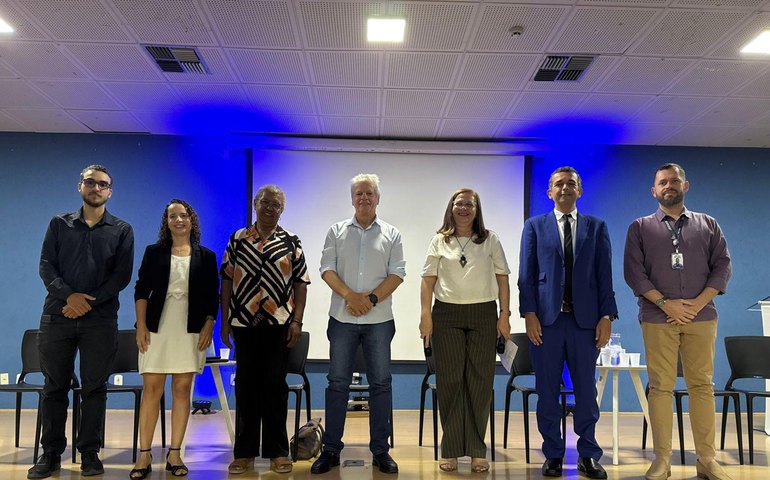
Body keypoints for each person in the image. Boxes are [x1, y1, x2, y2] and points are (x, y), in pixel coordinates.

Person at [624, 163, 732, 480]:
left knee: (702, 386)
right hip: (658, 317)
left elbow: (723, 267)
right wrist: (666, 304)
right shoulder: (640, 227)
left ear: (686, 186)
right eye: (662, 182)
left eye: (674, 181)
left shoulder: (708, 225)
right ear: (653, 191)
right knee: (661, 388)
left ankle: (707, 460)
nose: (668, 186)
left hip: (702, 316)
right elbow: (634, 273)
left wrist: (695, 305)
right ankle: (662, 460)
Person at [30, 165, 134, 479]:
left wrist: (85, 303)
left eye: (103, 184)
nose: (96, 188)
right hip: (57, 317)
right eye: (91, 182)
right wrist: (70, 297)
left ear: (110, 192)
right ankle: (50, 455)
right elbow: (46, 266)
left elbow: (121, 277)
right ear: (80, 187)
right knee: (54, 388)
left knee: (94, 389)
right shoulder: (59, 224)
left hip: (100, 321)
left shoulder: (122, 229)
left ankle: (89, 453)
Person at [518, 166, 617, 479]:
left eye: (570, 184)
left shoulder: (597, 227)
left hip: (585, 324)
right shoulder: (534, 227)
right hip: (546, 323)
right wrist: (529, 314)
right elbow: (526, 276)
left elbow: (605, 276)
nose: (564, 188)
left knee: (586, 393)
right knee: (547, 392)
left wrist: (606, 316)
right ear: (550, 192)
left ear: (580, 190)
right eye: (558, 184)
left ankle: (588, 455)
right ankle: (553, 455)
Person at [311, 173, 406, 475]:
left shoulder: (392, 234)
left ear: (378, 198)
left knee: (381, 385)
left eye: (369, 193)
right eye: (359, 194)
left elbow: (397, 273)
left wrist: (370, 300)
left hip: (379, 320)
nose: (364, 198)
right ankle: (330, 451)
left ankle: (381, 451)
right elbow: (326, 269)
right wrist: (350, 296)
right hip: (342, 319)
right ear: (352, 198)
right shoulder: (336, 231)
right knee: (337, 383)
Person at [419, 188, 511, 473]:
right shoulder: (438, 240)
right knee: (449, 381)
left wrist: (504, 316)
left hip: (483, 314)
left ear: (476, 209)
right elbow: (427, 281)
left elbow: (503, 280)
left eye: (469, 204)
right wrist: (425, 315)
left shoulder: (490, 240)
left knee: (479, 382)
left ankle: (475, 450)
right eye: (459, 203)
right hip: (445, 314)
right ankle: (451, 449)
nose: (464, 208)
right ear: (451, 207)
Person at [220, 185, 310, 475]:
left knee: (274, 387)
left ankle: (277, 452)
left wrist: (297, 321)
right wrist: (224, 321)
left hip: (279, 325)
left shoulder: (291, 242)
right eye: (266, 203)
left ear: (282, 210)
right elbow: (226, 282)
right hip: (244, 324)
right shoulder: (237, 240)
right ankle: (244, 453)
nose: (270, 208)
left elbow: (300, 283)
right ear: (256, 205)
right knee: (246, 387)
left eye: (277, 205)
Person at [129, 199, 219, 479]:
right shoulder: (153, 252)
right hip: (156, 327)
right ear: (166, 222)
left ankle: (175, 454)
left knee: (182, 390)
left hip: (190, 328)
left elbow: (212, 296)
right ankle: (144, 456)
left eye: (183, 215)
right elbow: (141, 290)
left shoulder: (206, 256)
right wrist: (141, 326)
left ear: (192, 220)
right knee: (152, 389)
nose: (178, 220)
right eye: (172, 216)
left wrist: (209, 325)